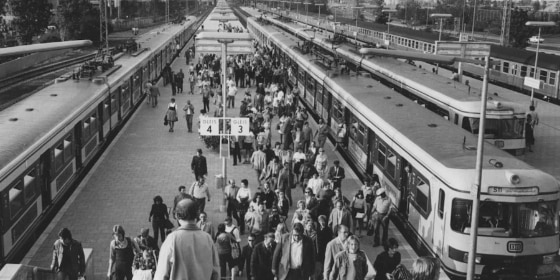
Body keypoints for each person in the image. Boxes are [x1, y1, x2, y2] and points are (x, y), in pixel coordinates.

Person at [154, 198, 220, 280]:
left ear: (177, 215)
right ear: (197, 214)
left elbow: (162, 274)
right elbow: (216, 273)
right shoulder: (207, 238)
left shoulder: (172, 239)